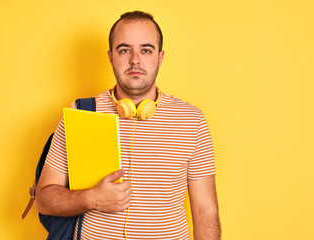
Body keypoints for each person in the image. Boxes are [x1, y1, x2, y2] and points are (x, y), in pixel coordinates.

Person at [36, 10, 221, 240]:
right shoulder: (80, 112)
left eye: (146, 50)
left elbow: (205, 211)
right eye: (124, 50)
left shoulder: (192, 120)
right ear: (111, 56)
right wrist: (91, 198)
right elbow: (44, 199)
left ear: (160, 57)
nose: (135, 59)